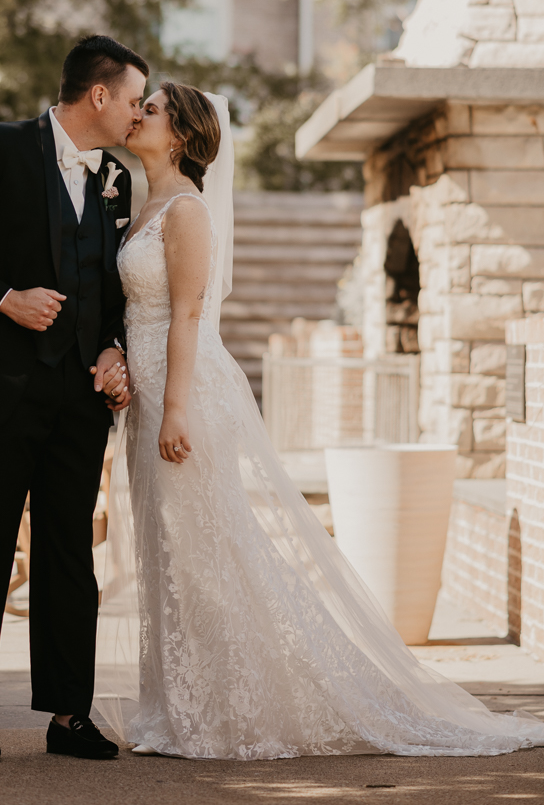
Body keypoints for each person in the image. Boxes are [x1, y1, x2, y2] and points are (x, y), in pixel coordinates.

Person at [96, 82, 544, 760]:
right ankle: (180, 707)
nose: (137, 114)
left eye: (151, 108)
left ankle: (231, 713)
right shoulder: (141, 205)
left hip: (186, 396)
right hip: (153, 392)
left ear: (182, 135)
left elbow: (187, 315)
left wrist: (177, 407)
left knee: (209, 556)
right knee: (170, 557)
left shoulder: (186, 211)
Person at [0, 35, 147, 763]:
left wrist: (110, 348)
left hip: (78, 399)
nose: (139, 113)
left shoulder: (117, 180)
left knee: (71, 555)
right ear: (97, 96)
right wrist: (5, 299)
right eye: (134, 99)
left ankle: (69, 716)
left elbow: (108, 291)